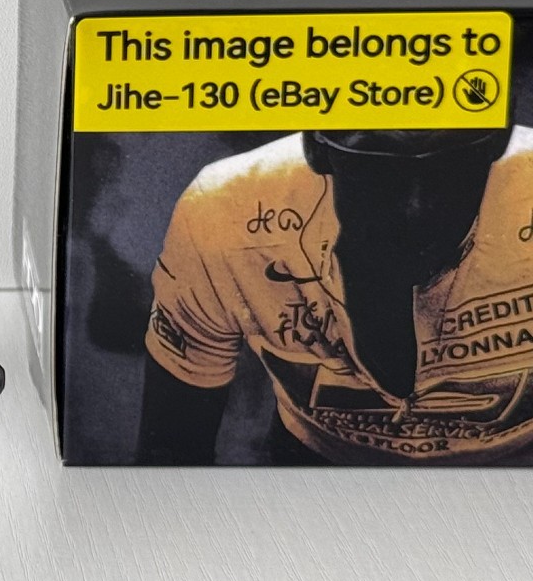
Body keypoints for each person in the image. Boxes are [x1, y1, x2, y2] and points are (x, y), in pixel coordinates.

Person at [136, 124, 533, 463]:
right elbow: (171, 455)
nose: (415, 210)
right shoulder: (225, 211)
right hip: (317, 462)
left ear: (500, 137)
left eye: (452, 163)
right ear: (314, 144)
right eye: (376, 163)